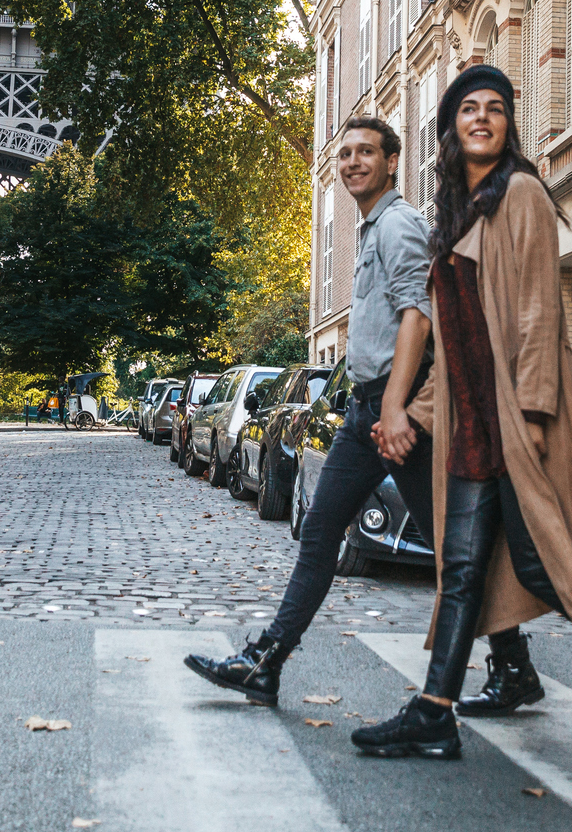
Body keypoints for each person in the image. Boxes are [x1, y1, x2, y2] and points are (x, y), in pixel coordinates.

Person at [349, 67, 572, 763]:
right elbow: (454, 347)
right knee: (460, 568)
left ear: (507, 125)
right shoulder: (460, 213)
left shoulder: (523, 195)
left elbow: (541, 314)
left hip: (518, 422)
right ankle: (434, 713)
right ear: (450, 129)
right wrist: (417, 412)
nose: (481, 118)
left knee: (547, 568)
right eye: (468, 110)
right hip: (472, 427)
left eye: (495, 109)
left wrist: (537, 416)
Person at [185, 115, 540, 711]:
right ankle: (267, 662)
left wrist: (397, 407)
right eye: (345, 153)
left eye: (366, 152)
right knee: (326, 528)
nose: (352, 162)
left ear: (392, 160)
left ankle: (518, 666)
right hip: (368, 406)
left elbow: (417, 314)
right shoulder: (371, 228)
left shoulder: (398, 226)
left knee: (452, 548)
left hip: (396, 410)